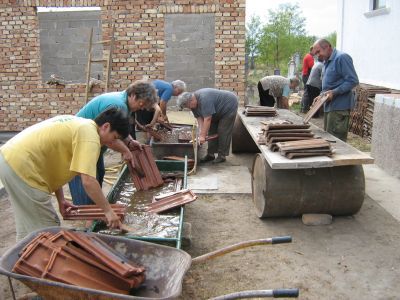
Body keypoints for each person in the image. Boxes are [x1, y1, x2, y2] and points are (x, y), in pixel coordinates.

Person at [0, 108, 130, 240]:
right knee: (49, 231)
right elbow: (88, 181)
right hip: (22, 167)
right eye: (114, 137)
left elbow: (54, 165)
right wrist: (108, 211)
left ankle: (18, 257)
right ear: (106, 127)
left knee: (29, 227)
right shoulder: (90, 136)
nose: (112, 143)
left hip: (9, 159)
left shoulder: (80, 125)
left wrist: (61, 200)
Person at [69, 81, 158, 206]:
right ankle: (86, 215)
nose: (141, 108)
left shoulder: (125, 103)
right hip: (79, 145)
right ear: (133, 95)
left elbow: (118, 130)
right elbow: (109, 137)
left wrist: (130, 141)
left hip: (93, 144)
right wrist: (125, 151)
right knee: (86, 181)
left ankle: (94, 208)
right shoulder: (118, 105)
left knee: (98, 174)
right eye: (141, 104)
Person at [312, 39, 359, 141]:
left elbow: (353, 80)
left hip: (339, 109)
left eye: (318, 52)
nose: (317, 55)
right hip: (329, 107)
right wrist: (321, 97)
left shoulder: (341, 58)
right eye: (315, 53)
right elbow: (328, 86)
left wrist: (334, 92)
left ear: (328, 47)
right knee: (328, 139)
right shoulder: (326, 62)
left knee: (336, 142)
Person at [177, 88, 238, 163]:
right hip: (216, 109)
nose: (189, 108)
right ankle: (210, 154)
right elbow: (200, 119)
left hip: (229, 105)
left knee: (222, 130)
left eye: (188, 106)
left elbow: (208, 118)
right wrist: (201, 133)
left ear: (191, 100)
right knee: (211, 130)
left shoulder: (204, 98)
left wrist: (203, 136)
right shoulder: (193, 105)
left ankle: (222, 156)